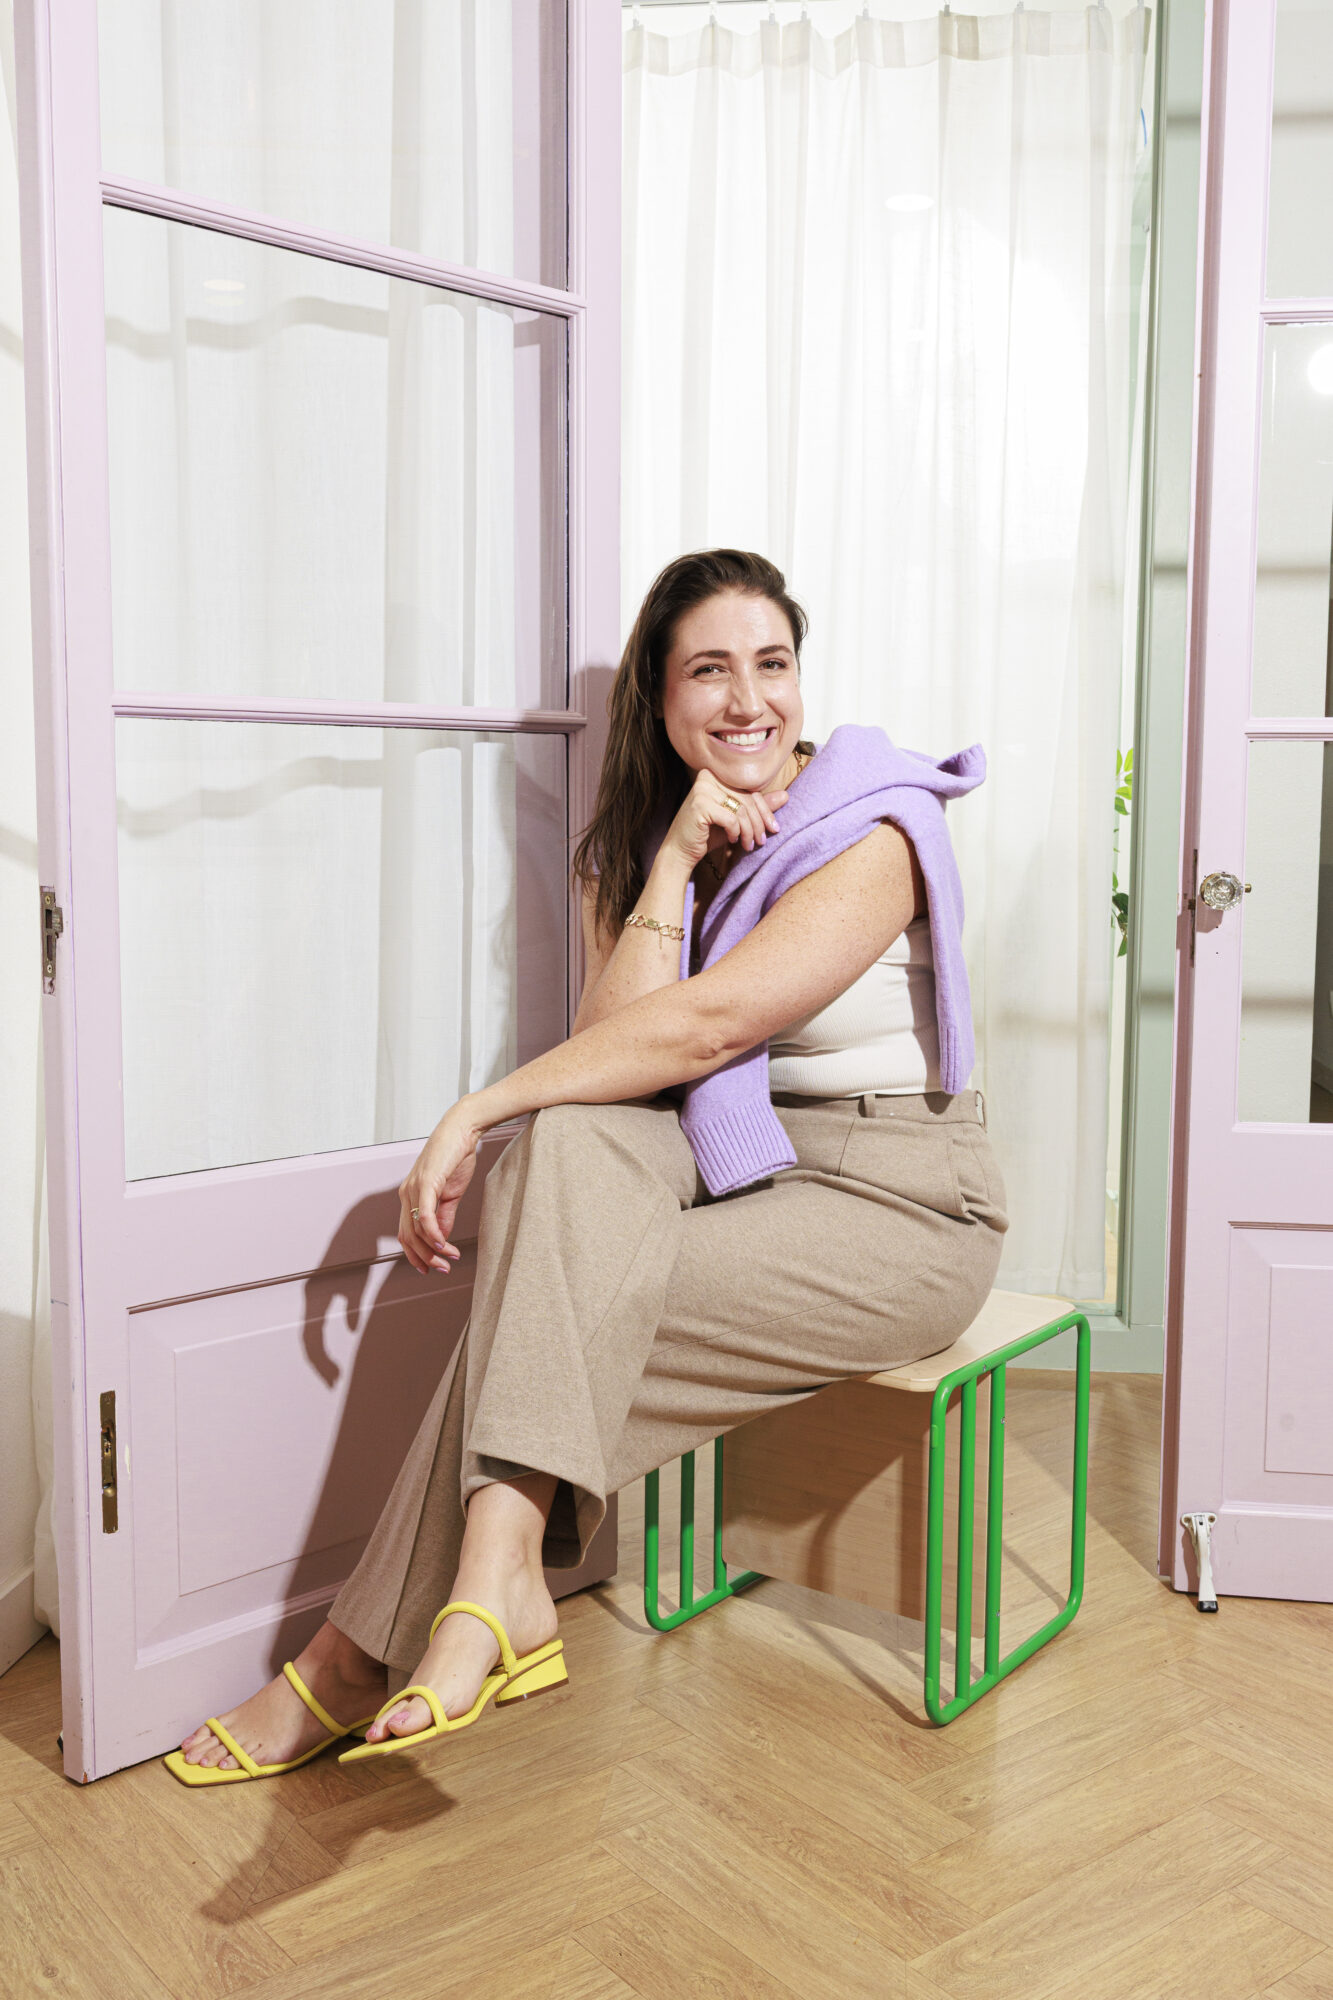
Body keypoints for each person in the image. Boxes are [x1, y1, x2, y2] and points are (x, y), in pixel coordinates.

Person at [167, 547, 1007, 1785]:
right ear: (660, 703)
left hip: (905, 1202)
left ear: (800, 677)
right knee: (565, 1150)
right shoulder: (648, 847)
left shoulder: (874, 822)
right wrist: (669, 863)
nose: (748, 700)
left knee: (547, 1309)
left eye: (771, 664)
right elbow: (611, 1059)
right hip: (749, 1175)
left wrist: (476, 1109)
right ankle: (493, 1585)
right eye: (708, 671)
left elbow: (708, 1031)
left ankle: (364, 1649)